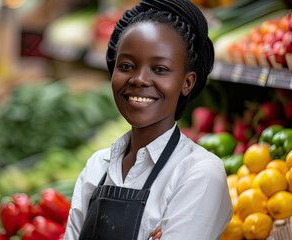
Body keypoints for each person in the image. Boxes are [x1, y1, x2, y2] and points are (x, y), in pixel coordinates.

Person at [64, 0, 233, 239]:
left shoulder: (200, 174)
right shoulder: (96, 166)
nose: (139, 79)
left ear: (187, 82)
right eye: (126, 65)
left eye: (160, 69)